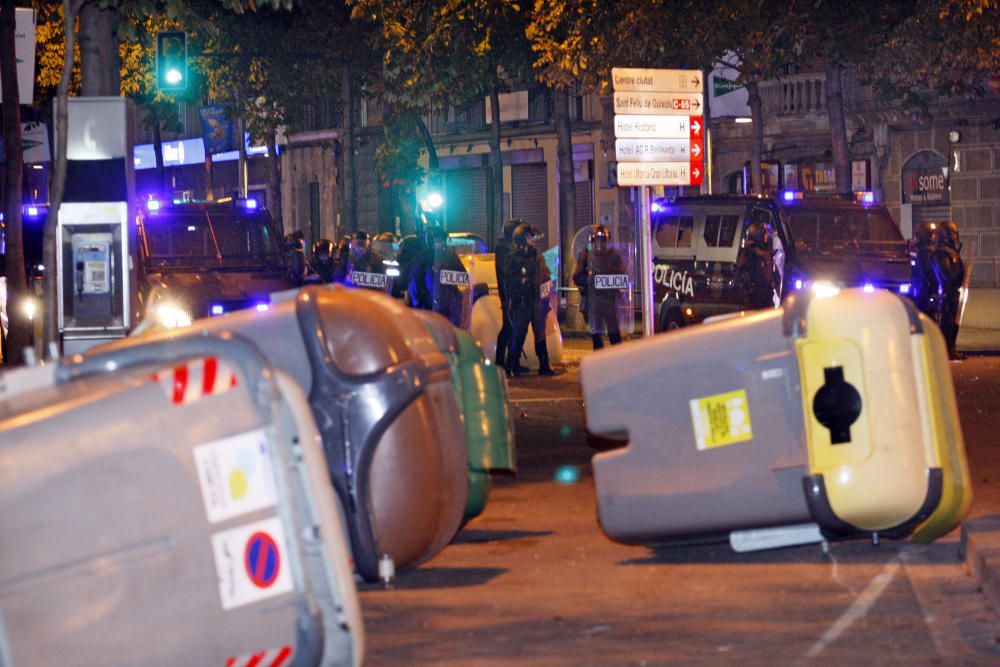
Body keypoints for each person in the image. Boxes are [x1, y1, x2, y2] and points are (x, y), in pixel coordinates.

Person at [504, 224, 553, 376]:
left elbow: (546, 277)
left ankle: (544, 365)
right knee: (519, 334)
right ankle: (512, 364)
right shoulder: (512, 258)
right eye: (529, 237)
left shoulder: (537, 257)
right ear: (522, 239)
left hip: (536, 302)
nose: (533, 241)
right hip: (522, 303)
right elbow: (509, 280)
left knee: (540, 333)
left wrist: (547, 288)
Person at [573, 224, 624, 350]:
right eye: (598, 240)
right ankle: (600, 363)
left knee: (614, 335)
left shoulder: (614, 255)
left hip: (609, 301)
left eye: (603, 240)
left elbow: (622, 276)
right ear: (593, 240)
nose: (600, 243)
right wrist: (589, 280)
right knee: (597, 338)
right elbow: (577, 277)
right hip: (593, 301)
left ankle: (620, 361)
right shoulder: (586, 255)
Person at [932, 220, 966, 361]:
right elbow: (947, 274)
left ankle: (951, 348)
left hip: (953, 292)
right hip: (947, 293)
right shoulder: (941, 252)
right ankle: (946, 350)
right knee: (946, 323)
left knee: (953, 323)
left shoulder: (949, 251)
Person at [494, 219, 523, 372]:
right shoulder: (503, 250)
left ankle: (510, 362)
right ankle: (501, 362)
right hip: (508, 294)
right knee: (508, 328)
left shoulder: (507, 248)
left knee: (512, 328)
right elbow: (506, 273)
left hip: (513, 293)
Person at [736, 221, 777, 310]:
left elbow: (772, 278)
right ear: (757, 235)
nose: (767, 237)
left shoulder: (767, 254)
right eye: (765, 234)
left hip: (766, 300)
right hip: (754, 302)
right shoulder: (748, 254)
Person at [911, 222, 939, 321]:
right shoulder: (930, 253)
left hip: (917, 293)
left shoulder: (914, 251)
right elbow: (932, 274)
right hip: (927, 293)